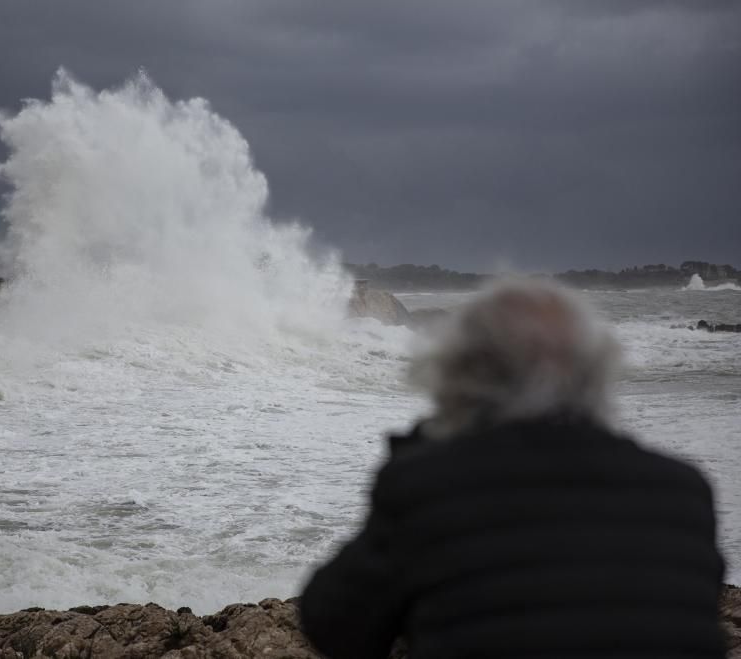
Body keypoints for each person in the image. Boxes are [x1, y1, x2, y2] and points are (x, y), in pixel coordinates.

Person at [300, 279, 725, 658]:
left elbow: (333, 627)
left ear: (458, 376)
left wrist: (423, 448)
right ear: (598, 373)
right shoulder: (684, 493)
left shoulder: (429, 487)